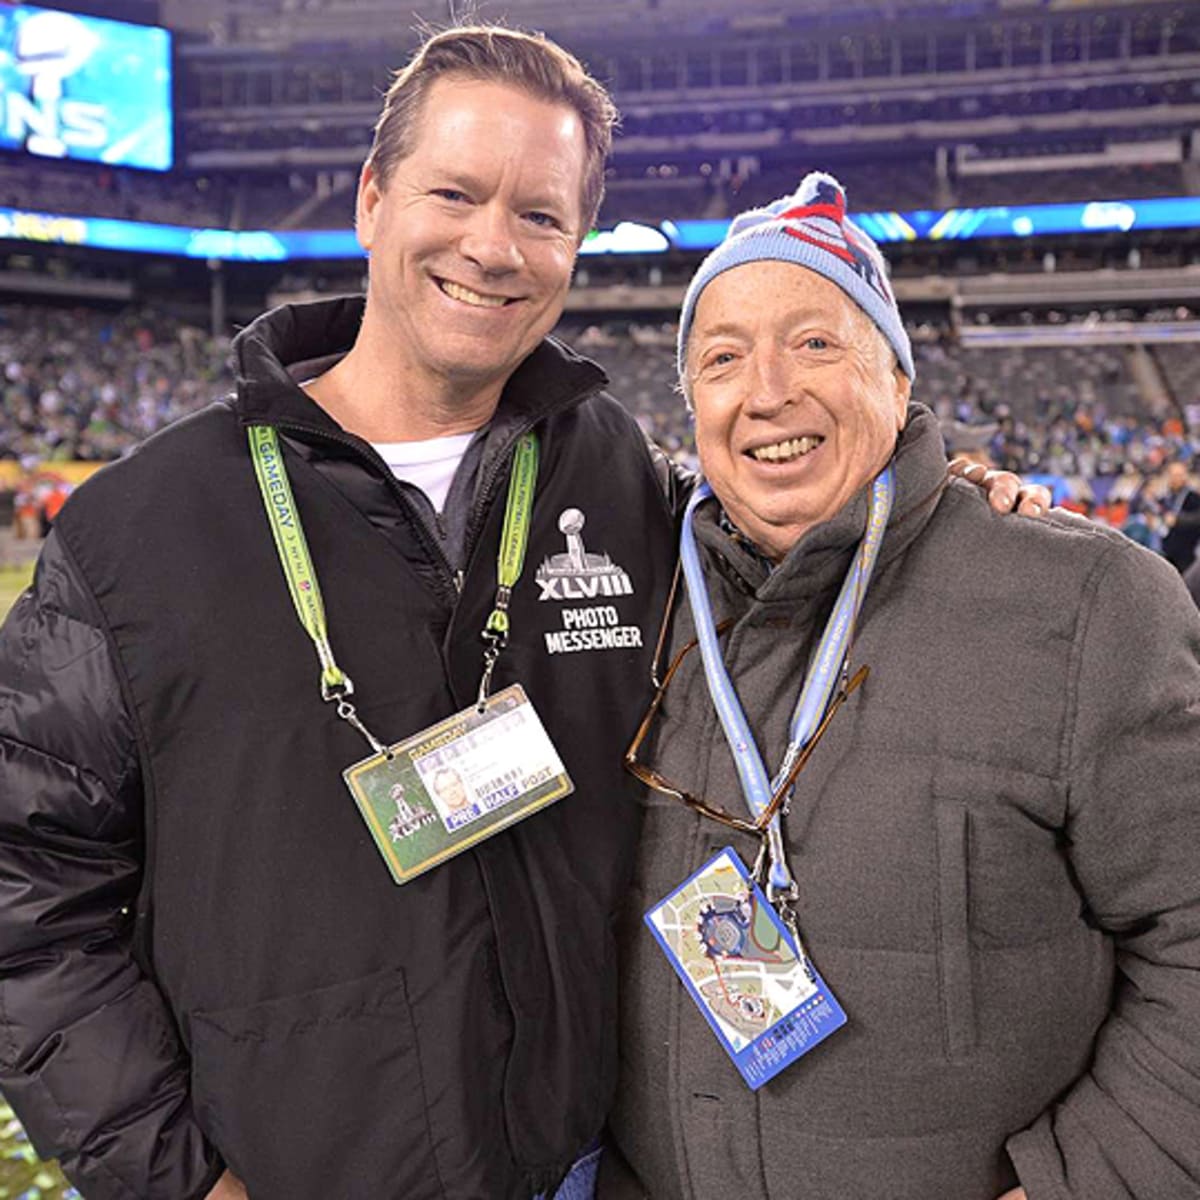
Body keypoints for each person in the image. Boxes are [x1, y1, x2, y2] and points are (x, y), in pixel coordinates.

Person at [0, 29, 1039, 1200]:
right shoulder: (135, 530)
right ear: (374, 199)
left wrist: (941, 503)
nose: (493, 246)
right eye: (455, 192)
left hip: (588, 1166)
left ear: (575, 247)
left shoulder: (626, 480)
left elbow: (801, 560)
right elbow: (25, 890)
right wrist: (176, 1181)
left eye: (541, 216)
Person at [602, 172, 1200, 1200]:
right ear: (691, 403)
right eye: (723, 358)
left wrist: (1093, 1182)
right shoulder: (627, 595)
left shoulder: (1091, 601)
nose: (768, 390)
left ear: (898, 379)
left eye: (817, 343)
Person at [1159, 458, 1200, 573]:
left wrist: (1179, 520)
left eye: (1180, 475)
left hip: (1187, 553)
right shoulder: (1166, 497)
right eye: (1173, 475)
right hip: (1167, 550)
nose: (1176, 478)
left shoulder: (1192, 497)